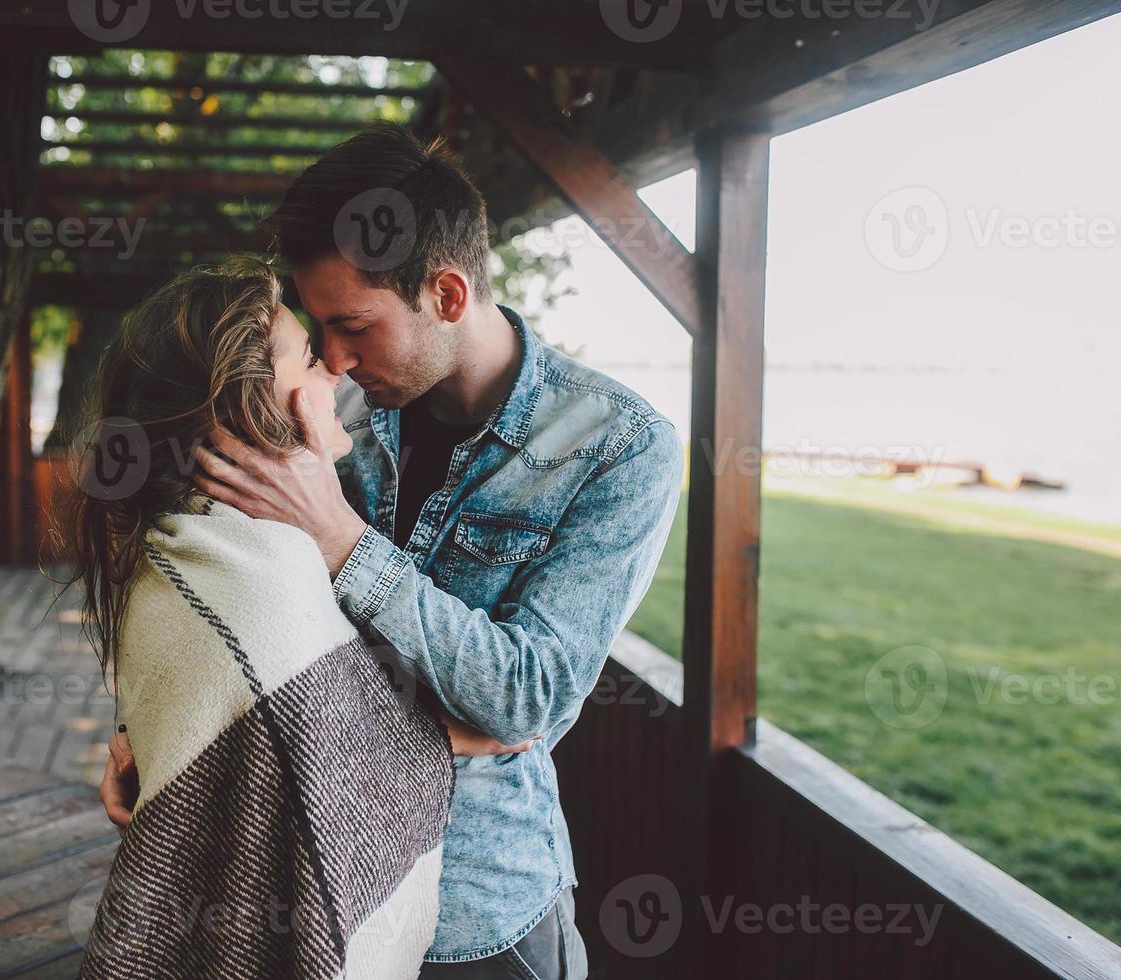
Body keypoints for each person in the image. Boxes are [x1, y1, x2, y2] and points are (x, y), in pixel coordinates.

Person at [101, 123, 684, 979]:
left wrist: (341, 539)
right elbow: (234, 595)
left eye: (353, 327)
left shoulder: (619, 448)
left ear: (447, 295)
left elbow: (527, 699)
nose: (332, 360)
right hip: (306, 893)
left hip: (480, 913)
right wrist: (160, 734)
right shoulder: (333, 414)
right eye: (318, 331)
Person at [59, 259, 531, 979]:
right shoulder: (261, 564)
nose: (335, 370)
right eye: (310, 355)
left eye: (346, 333)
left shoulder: (184, 536)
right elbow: (328, 767)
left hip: (497, 904)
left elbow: (310, 729)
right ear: (246, 402)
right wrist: (463, 734)